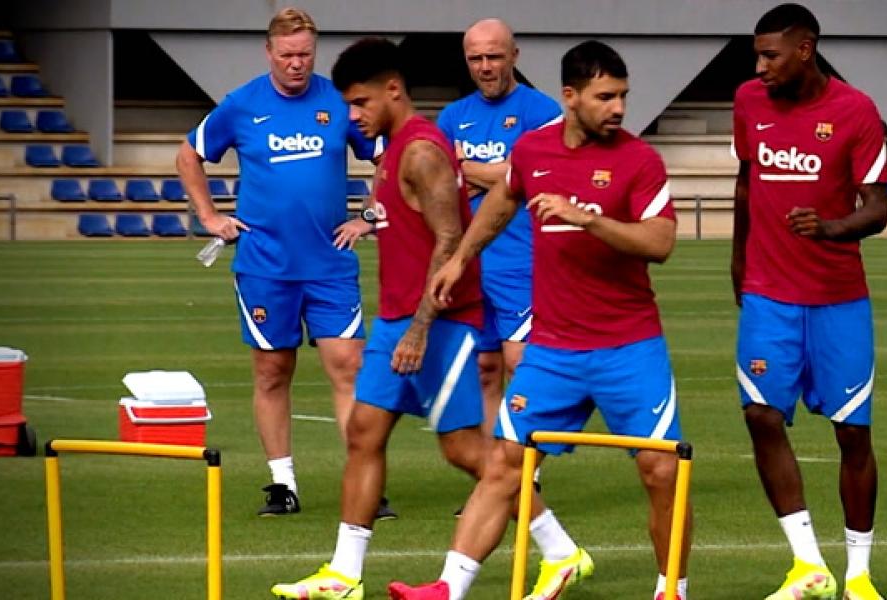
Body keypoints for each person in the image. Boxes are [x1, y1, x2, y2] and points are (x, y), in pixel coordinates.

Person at [271, 38, 579, 600]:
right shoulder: (392, 151)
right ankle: (344, 574)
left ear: (394, 90)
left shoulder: (422, 151)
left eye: (362, 103)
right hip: (398, 318)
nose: (354, 116)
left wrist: (418, 327)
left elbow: (450, 239)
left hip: (438, 321)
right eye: (349, 106)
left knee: (465, 450)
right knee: (365, 433)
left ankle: (560, 551)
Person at [389, 40, 691, 600]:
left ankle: (672, 589)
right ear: (570, 97)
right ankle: (447, 589)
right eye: (606, 96)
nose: (618, 107)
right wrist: (459, 259)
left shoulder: (638, 160)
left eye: (622, 95)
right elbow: (503, 202)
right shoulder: (533, 150)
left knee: (661, 471)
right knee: (505, 465)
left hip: (629, 347)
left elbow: (661, 241)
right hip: (553, 350)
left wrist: (588, 220)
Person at [174, 7, 392, 519]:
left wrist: (368, 216)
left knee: (349, 366)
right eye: (288, 54)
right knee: (273, 371)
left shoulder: (339, 101)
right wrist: (209, 215)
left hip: (331, 261)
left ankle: (364, 480)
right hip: (265, 266)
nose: (297, 64)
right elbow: (190, 155)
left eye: (305, 54)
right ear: (269, 52)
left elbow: (385, 154)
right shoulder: (241, 104)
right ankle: (282, 483)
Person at [731, 4, 887, 599]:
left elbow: (877, 208)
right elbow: (747, 182)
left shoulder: (856, 110)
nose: (760, 65)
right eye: (757, 55)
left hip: (838, 299)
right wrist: (737, 259)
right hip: (769, 294)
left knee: (853, 436)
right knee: (760, 416)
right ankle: (808, 567)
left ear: (805, 49)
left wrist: (830, 227)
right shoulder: (749, 101)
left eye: (771, 54)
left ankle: (859, 576)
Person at [436, 18, 562, 436]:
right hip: (469, 265)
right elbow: (439, 181)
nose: (486, 66)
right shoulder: (454, 116)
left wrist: (467, 168)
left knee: (520, 365)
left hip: (522, 261)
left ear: (514, 56)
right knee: (485, 369)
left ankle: (526, 475)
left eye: (494, 56)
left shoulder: (542, 111)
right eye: (476, 59)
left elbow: (536, 178)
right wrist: (503, 172)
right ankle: (495, 476)